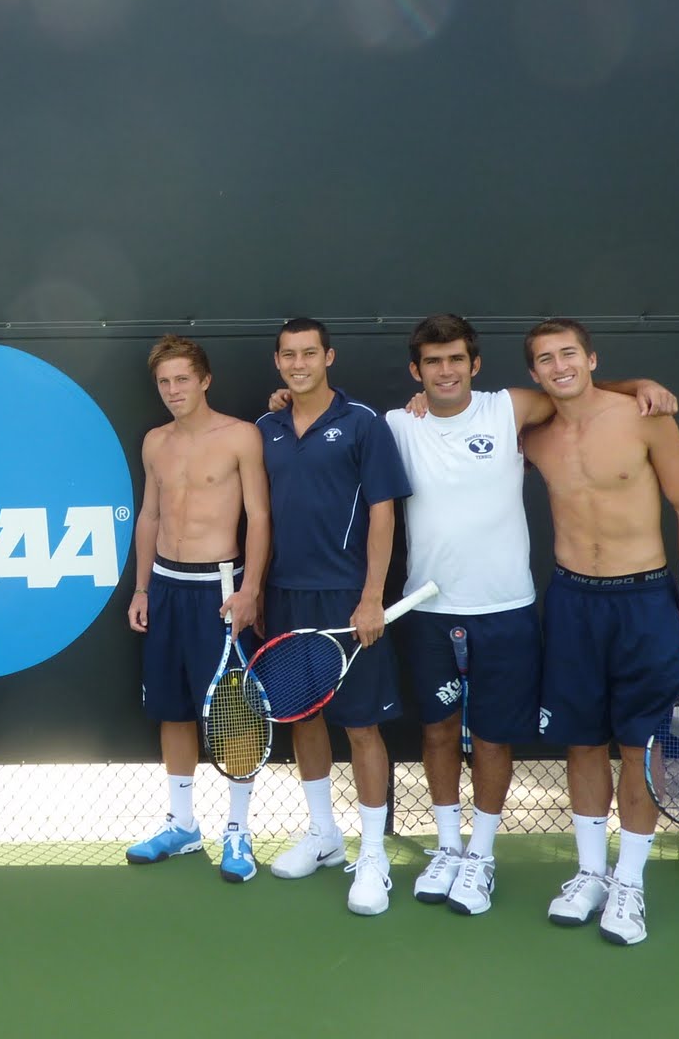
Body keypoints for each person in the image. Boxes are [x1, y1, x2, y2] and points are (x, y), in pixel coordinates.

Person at [380, 314, 675, 917]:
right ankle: (447, 849)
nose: (445, 371)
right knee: (438, 733)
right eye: (433, 363)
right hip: (427, 609)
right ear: (417, 371)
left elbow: (577, 390)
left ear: (475, 364)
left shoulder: (511, 409)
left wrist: (640, 381)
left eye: (456, 359)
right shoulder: (395, 424)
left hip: (510, 610)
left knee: (496, 738)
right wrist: (285, 396)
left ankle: (483, 859)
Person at [522, 318, 679, 945]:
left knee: (642, 744)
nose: (559, 366)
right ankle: (590, 874)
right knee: (581, 742)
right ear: (534, 374)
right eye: (545, 359)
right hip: (574, 600)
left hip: (646, 599)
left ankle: (629, 882)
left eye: (568, 354)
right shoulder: (534, 434)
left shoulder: (644, 416)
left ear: (591, 357)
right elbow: (456, 410)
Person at [257, 318, 410, 915]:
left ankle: (371, 853)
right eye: (289, 355)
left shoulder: (363, 424)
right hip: (286, 597)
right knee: (304, 717)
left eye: (309, 354)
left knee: (362, 725)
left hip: (347, 598)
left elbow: (382, 515)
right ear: (278, 362)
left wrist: (372, 594)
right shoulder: (265, 428)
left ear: (329, 357)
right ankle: (324, 834)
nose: (299, 364)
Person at [125, 334, 269, 881]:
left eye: (182, 379)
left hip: (221, 588)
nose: (172, 390)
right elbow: (150, 518)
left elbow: (259, 517)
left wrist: (250, 589)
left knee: (234, 714)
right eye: (164, 382)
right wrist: (141, 589)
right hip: (165, 586)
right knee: (173, 709)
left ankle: (239, 831)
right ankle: (182, 825)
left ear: (205, 380)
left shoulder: (240, 437)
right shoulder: (155, 442)